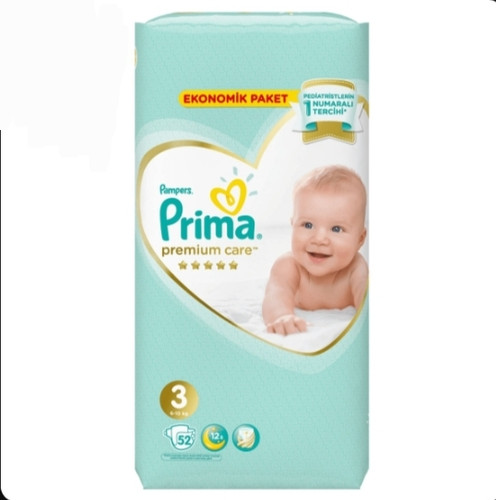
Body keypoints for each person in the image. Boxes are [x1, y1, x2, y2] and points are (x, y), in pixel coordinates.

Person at [262, 165, 368, 335]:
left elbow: (366, 299)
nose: (319, 239)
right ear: (293, 225)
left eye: (336, 229)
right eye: (308, 225)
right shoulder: (288, 266)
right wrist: (282, 316)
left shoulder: (355, 269)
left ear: (360, 239)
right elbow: (276, 295)